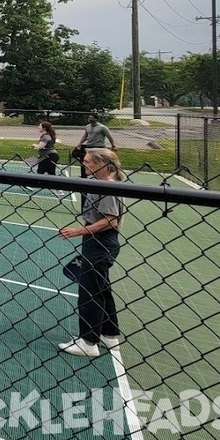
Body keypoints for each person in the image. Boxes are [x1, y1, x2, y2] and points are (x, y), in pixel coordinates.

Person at [57, 148, 126, 357]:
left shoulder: (105, 187)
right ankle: (108, 333)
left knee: (90, 292)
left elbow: (111, 221)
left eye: (88, 162)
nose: (84, 165)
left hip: (101, 243)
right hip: (95, 242)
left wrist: (79, 231)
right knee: (101, 288)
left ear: (103, 165)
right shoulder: (97, 183)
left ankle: (88, 342)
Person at [74, 113, 116, 178]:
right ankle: (84, 175)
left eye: (91, 118)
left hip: (99, 147)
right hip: (89, 146)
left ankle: (99, 175)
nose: (89, 119)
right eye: (89, 118)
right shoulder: (87, 127)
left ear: (96, 119)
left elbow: (109, 137)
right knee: (86, 161)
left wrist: (113, 146)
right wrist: (79, 144)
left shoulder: (102, 127)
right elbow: (85, 136)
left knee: (98, 162)